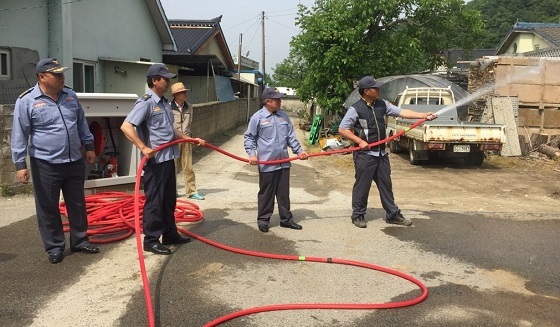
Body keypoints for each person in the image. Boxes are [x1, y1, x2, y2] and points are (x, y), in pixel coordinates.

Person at [11, 58, 100, 264]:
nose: (62, 77)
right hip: (45, 163)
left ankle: (80, 240)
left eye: (62, 73)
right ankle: (54, 247)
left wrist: (89, 147)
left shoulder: (70, 96)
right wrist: (20, 165)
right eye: (56, 74)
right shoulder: (27, 101)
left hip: (73, 161)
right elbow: (19, 134)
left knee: (77, 204)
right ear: (42, 77)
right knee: (48, 207)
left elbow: (81, 124)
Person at [120, 64, 205, 255]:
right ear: (154, 80)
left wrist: (190, 139)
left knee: (168, 200)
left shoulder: (165, 104)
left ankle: (169, 234)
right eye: (165, 79)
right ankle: (151, 239)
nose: (168, 82)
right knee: (155, 202)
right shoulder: (146, 103)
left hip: (169, 158)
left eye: (168, 78)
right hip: (155, 162)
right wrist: (143, 147)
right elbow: (126, 127)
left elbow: (170, 131)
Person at [338, 76, 437, 228]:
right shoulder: (355, 109)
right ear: (366, 91)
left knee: (386, 185)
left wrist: (424, 116)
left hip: (381, 154)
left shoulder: (383, 104)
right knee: (362, 186)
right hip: (365, 155)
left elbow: (403, 112)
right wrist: (359, 141)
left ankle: (392, 214)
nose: (378, 90)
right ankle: (358, 215)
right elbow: (342, 129)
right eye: (375, 88)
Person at [244, 87, 309, 233]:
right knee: (266, 193)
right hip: (267, 164)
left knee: (283, 194)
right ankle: (263, 220)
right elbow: (249, 137)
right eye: (277, 99)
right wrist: (252, 154)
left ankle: (286, 219)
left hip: (283, 163)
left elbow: (291, 137)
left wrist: (299, 152)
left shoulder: (283, 116)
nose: (280, 101)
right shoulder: (258, 117)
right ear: (268, 102)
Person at [170, 82, 204, 200]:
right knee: (172, 167)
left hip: (187, 139)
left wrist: (190, 138)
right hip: (173, 141)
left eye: (185, 92)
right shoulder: (169, 108)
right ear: (176, 95)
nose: (185, 94)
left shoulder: (189, 106)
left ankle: (191, 191)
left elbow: (190, 123)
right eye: (182, 92)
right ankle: (172, 191)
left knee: (188, 166)